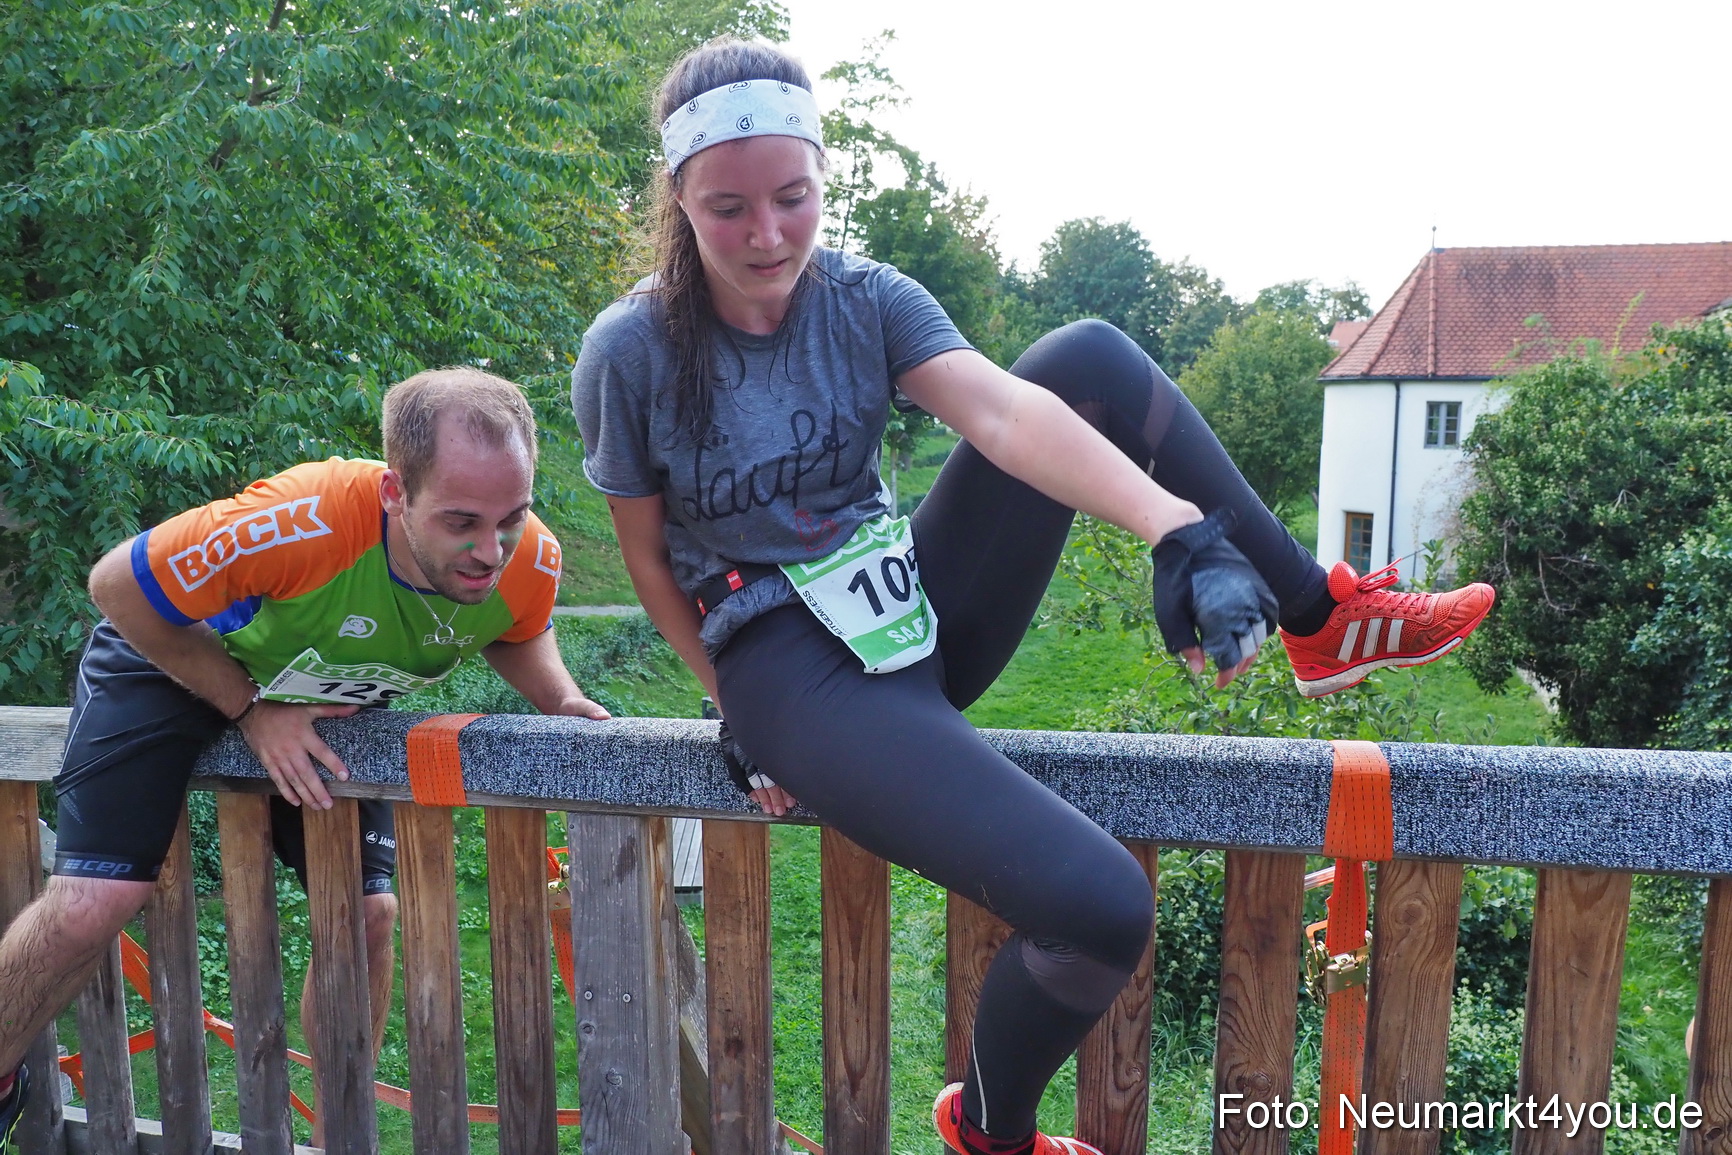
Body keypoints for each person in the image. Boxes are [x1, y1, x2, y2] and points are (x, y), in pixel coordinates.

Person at [571, 37, 1494, 1155]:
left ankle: (1319, 616)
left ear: (823, 178)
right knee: (1099, 910)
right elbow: (647, 559)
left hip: (910, 611)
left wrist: (1179, 534)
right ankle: (990, 1132)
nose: (768, 235)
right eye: (727, 208)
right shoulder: (630, 352)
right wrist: (735, 710)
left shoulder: (865, 299)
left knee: (1088, 360)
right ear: (676, 196)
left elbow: (1005, 417)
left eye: (793, 197)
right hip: (791, 670)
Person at [0, 367, 610, 1150]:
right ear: (395, 491)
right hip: (177, 658)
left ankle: (338, 1131)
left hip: (320, 690)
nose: (491, 549)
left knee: (368, 912)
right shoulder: (302, 521)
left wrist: (560, 700)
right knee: (95, 900)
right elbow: (116, 583)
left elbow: (516, 625)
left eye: (512, 517)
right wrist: (253, 711)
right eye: (462, 521)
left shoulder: (530, 556)